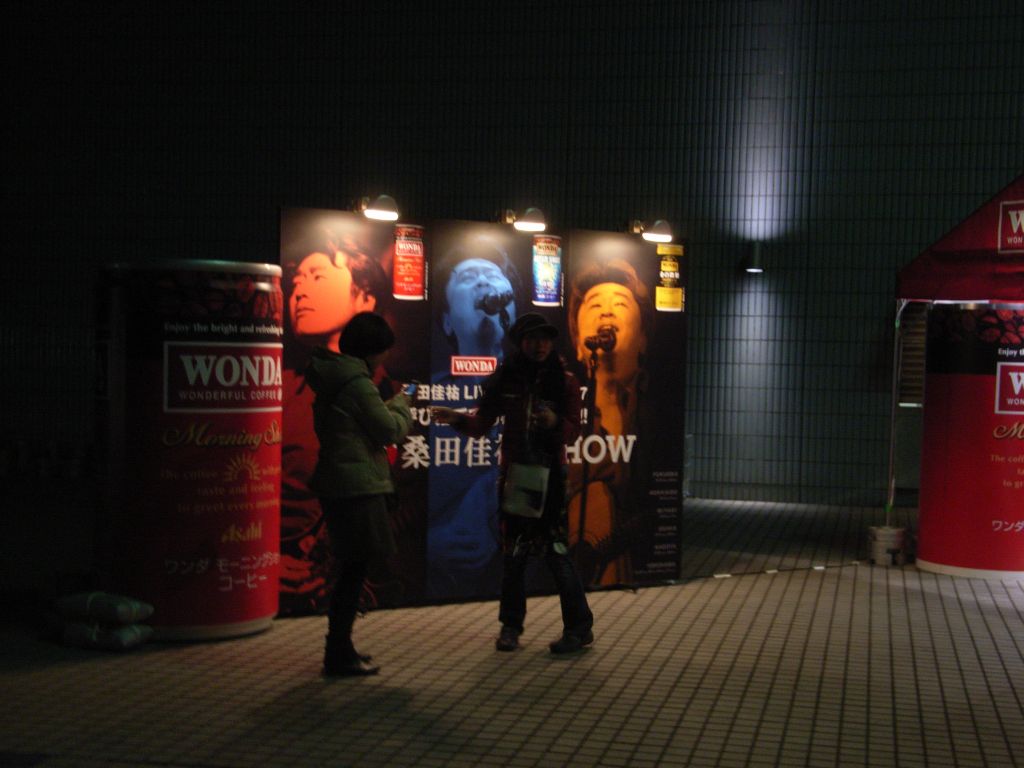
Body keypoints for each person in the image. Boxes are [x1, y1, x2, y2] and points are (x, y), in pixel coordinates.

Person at [432, 312, 595, 654]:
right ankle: (510, 628)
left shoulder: (564, 381)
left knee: (557, 553)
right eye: (533, 339)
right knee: (515, 555)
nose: (540, 346)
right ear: (520, 342)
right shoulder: (506, 378)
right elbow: (482, 425)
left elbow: (573, 430)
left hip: (551, 476)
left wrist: (553, 422)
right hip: (518, 476)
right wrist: (456, 418)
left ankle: (579, 629)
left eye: (546, 339)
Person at [280, 231, 390, 614]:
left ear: (365, 298)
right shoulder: (280, 389)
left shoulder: (379, 383)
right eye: (297, 282)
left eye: (318, 277)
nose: (300, 293)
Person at [306, 311, 413, 676]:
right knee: (354, 571)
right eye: (383, 350)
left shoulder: (334, 378)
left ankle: (341, 648)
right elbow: (388, 431)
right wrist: (401, 404)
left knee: (351, 568)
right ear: (372, 350)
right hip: (358, 487)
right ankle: (338, 654)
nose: (385, 357)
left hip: (339, 482)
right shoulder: (358, 384)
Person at [427, 241, 521, 597]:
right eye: (469, 277)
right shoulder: (433, 391)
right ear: (448, 320)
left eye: (493, 276)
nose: (485, 284)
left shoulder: (525, 379)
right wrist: (435, 540)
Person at [566, 258, 654, 587]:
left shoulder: (654, 413)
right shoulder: (566, 407)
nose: (606, 313)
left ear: (643, 338)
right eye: (594, 305)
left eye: (620, 304)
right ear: (578, 343)